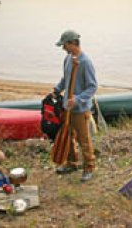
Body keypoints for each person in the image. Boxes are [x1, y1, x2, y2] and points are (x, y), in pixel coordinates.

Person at [53, 29, 98, 182]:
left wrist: (78, 99)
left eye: (64, 45)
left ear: (72, 43)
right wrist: (57, 90)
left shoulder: (85, 62)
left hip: (80, 109)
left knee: (83, 140)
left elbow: (92, 87)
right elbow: (66, 79)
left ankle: (89, 167)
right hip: (67, 107)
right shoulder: (68, 59)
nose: (63, 48)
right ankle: (72, 163)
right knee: (68, 136)